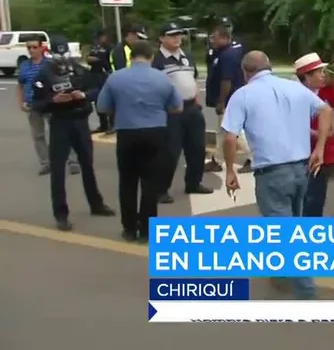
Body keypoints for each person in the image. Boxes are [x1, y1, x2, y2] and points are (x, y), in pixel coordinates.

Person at [222, 51, 333, 299]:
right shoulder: (293, 88)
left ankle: (305, 290)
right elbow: (326, 110)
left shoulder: (243, 95)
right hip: (301, 168)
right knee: (293, 221)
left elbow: (230, 137)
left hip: (272, 173)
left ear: (245, 72)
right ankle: (282, 274)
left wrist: (230, 169)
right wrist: (320, 147)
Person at [97, 41, 182, 242]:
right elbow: (177, 107)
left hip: (127, 132)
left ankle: (129, 228)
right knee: (150, 183)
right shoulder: (162, 78)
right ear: (151, 56)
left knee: (127, 182)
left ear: (131, 57)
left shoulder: (115, 78)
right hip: (155, 132)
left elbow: (102, 107)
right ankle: (147, 230)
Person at [32, 37, 115, 231]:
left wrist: (83, 95)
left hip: (80, 121)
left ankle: (96, 204)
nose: (62, 57)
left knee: (88, 165)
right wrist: (54, 100)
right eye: (57, 53)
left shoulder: (79, 69)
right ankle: (61, 213)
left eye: (64, 52)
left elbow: (97, 89)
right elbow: (36, 104)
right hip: (60, 123)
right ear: (50, 53)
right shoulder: (44, 74)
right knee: (59, 170)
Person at [152, 22, 212, 202]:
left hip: (191, 107)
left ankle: (193, 183)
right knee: (170, 151)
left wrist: (195, 100)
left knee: (197, 148)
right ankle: (161, 189)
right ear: (161, 38)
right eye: (171, 35)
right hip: (170, 110)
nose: (177, 38)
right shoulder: (157, 60)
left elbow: (192, 78)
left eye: (178, 34)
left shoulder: (187, 57)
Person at [18, 35, 78, 176]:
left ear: (41, 47)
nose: (32, 50)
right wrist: (21, 102)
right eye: (29, 48)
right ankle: (46, 163)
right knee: (38, 135)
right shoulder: (25, 65)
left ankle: (72, 161)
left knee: (61, 132)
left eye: (34, 47)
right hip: (33, 105)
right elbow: (20, 85)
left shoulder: (50, 64)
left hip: (51, 103)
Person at [294, 53, 334, 217]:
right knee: (311, 200)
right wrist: (319, 133)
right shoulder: (298, 97)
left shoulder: (320, 93)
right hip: (309, 156)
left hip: (325, 155)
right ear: (307, 77)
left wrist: (332, 128)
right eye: (320, 72)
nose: (324, 76)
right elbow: (294, 125)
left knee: (317, 199)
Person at [205, 26, 251, 173]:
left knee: (234, 132)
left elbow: (226, 80)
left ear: (225, 38)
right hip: (235, 97)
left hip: (229, 99)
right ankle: (217, 160)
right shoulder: (230, 50)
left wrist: (221, 102)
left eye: (215, 38)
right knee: (222, 132)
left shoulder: (227, 56)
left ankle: (255, 158)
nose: (212, 41)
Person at [87, 30, 114, 133]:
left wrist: (97, 59)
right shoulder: (95, 47)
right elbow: (89, 59)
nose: (102, 39)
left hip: (106, 74)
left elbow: (106, 60)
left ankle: (112, 124)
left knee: (108, 100)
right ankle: (103, 125)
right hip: (95, 75)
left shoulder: (110, 47)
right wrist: (95, 58)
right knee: (98, 100)